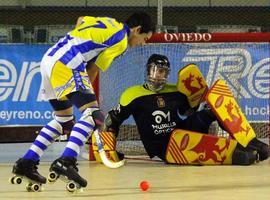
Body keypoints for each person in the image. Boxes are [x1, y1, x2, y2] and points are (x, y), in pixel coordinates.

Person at [12, 12, 154, 188]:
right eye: (145, 38)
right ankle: (67, 161)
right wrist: (91, 106)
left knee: (64, 121)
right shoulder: (121, 41)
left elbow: (80, 20)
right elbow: (93, 69)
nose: (143, 43)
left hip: (50, 59)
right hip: (68, 62)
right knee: (93, 116)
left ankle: (26, 163)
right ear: (137, 29)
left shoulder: (109, 22)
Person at [103, 53, 269, 165]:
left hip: (181, 131)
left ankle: (250, 141)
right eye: (156, 70)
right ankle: (235, 154)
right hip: (164, 146)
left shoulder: (175, 91)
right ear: (148, 70)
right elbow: (112, 121)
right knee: (243, 156)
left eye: (163, 72)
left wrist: (198, 103)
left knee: (213, 107)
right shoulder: (132, 94)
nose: (159, 75)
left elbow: (188, 112)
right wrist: (109, 151)